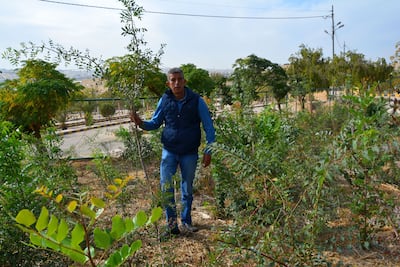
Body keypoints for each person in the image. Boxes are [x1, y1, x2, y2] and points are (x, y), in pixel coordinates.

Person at [131, 67, 216, 239]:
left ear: (184, 82)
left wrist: (209, 150)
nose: (176, 83)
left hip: (189, 152)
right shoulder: (165, 100)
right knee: (167, 187)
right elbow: (155, 123)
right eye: (173, 80)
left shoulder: (196, 101)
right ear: (168, 83)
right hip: (169, 151)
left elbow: (209, 127)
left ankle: (186, 222)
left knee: (187, 187)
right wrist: (140, 123)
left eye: (179, 79)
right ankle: (171, 226)